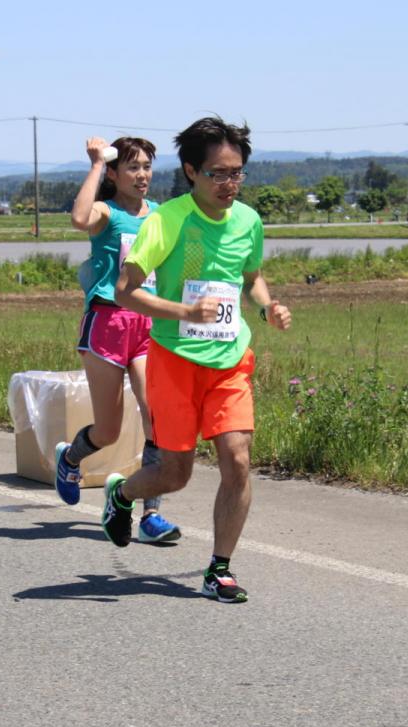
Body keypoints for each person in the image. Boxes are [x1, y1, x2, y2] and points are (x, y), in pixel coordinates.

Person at [103, 117, 292, 603]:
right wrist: (185, 312)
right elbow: (125, 291)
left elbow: (251, 277)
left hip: (230, 359)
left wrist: (267, 307)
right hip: (175, 360)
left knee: (238, 460)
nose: (230, 183)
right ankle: (122, 494)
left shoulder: (248, 221)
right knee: (175, 474)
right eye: (217, 174)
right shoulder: (167, 221)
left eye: (237, 173)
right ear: (191, 171)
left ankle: (219, 569)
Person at [53, 136, 180, 544]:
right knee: (108, 431)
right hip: (107, 324)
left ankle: (150, 515)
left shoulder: (160, 215)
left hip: (148, 325)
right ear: (113, 173)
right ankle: (71, 458)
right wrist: (94, 163)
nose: (142, 175)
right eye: (132, 167)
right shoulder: (106, 212)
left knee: (156, 414)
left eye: (147, 166)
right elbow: (79, 218)